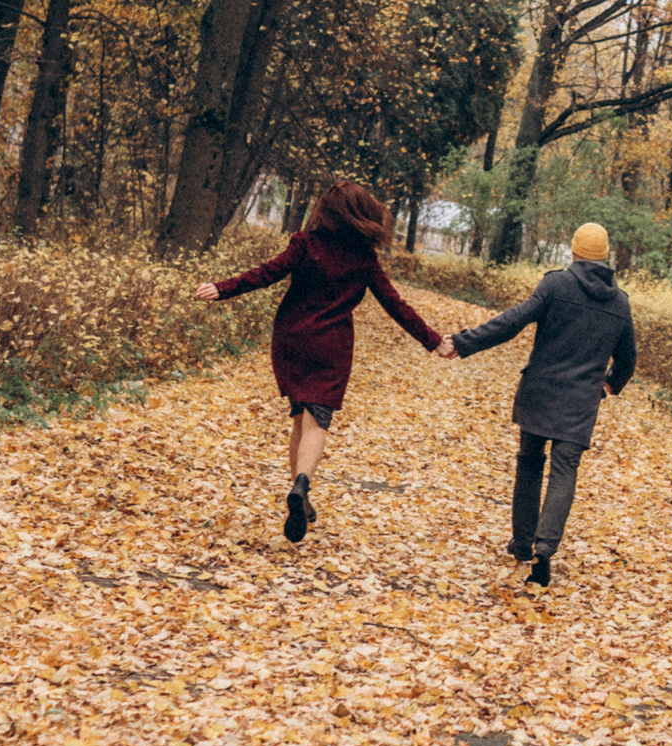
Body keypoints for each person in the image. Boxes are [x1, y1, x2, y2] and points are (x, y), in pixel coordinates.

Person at [196, 181, 445, 542]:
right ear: (362, 215)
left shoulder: (305, 244)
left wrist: (223, 288)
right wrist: (434, 341)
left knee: (300, 418)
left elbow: (268, 273)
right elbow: (396, 305)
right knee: (317, 423)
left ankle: (300, 498)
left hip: (291, 341)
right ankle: (302, 485)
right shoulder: (364, 259)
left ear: (326, 212)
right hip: (332, 347)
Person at [440, 223, 636, 586]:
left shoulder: (556, 284)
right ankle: (545, 549)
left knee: (530, 462)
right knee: (565, 470)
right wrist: (610, 383)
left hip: (540, 392)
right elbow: (628, 358)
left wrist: (465, 342)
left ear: (575, 252)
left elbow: (512, 322)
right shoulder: (620, 302)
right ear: (605, 257)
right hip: (580, 402)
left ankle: (523, 543)